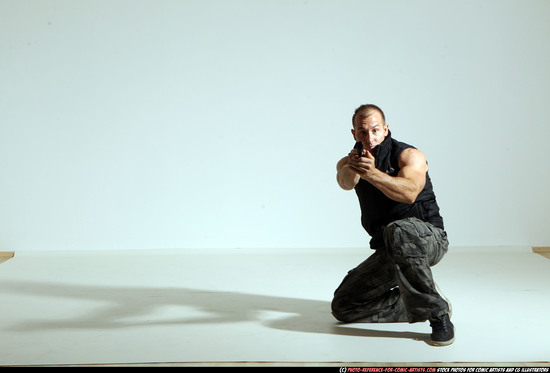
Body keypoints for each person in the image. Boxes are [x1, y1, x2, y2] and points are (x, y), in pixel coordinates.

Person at [331, 104, 454, 346]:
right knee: (343, 306)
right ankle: (415, 298)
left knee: (398, 229)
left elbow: (409, 193)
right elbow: (345, 182)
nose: (370, 137)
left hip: (427, 239)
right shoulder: (350, 161)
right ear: (354, 134)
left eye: (375, 130)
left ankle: (437, 314)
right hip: (391, 247)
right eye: (363, 132)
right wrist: (355, 169)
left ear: (386, 129)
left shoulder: (409, 155)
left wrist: (372, 173)